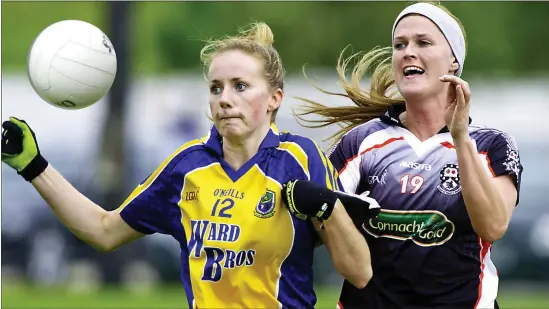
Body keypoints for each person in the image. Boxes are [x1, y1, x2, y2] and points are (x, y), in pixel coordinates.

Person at [1, 22, 375, 309]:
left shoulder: (301, 159)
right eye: (216, 88)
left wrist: (327, 207)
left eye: (240, 86)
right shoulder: (188, 166)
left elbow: (358, 272)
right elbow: (103, 230)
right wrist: (34, 166)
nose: (225, 99)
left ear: (275, 98)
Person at [295, 2, 524, 309]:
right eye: (400, 45)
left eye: (423, 42)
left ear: (454, 61)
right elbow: (319, 225)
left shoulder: (490, 144)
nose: (408, 52)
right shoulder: (362, 141)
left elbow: (493, 226)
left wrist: (460, 138)